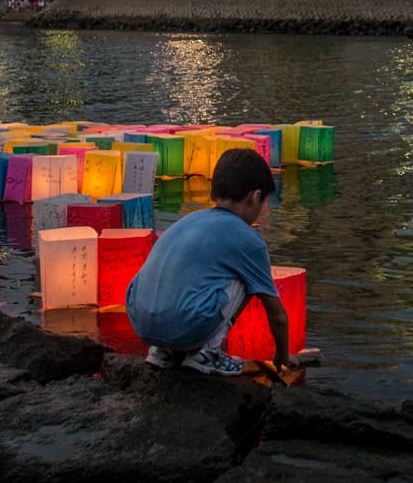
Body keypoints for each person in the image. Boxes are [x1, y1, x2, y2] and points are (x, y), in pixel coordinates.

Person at [126, 148, 295, 376]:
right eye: (263, 202)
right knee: (249, 278)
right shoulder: (248, 239)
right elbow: (276, 315)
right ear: (254, 197)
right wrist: (283, 355)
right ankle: (207, 352)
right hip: (186, 327)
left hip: (141, 324)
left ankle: (162, 351)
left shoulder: (186, 221)